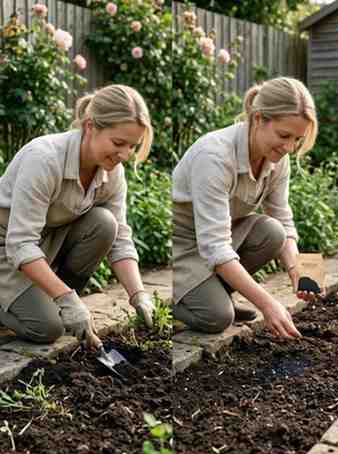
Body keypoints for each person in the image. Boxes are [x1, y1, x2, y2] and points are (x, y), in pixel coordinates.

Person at [0, 84, 157, 347]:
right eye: (119, 143)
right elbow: (20, 244)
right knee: (49, 328)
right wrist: (67, 299)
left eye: (133, 146)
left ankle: (52, 301)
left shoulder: (111, 172)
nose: (125, 154)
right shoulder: (45, 159)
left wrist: (138, 294)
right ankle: (44, 305)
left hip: (42, 245)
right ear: (89, 126)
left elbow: (119, 238)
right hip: (7, 248)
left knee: (105, 225)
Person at [172, 77, 318, 339]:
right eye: (284, 135)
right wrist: (267, 303)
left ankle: (213, 296)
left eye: (297, 139)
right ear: (259, 118)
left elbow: (283, 219)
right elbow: (215, 247)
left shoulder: (277, 157)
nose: (289, 147)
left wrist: (299, 271)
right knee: (217, 318)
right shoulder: (214, 157)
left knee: (273, 231)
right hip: (184, 245)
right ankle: (182, 301)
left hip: (218, 238)